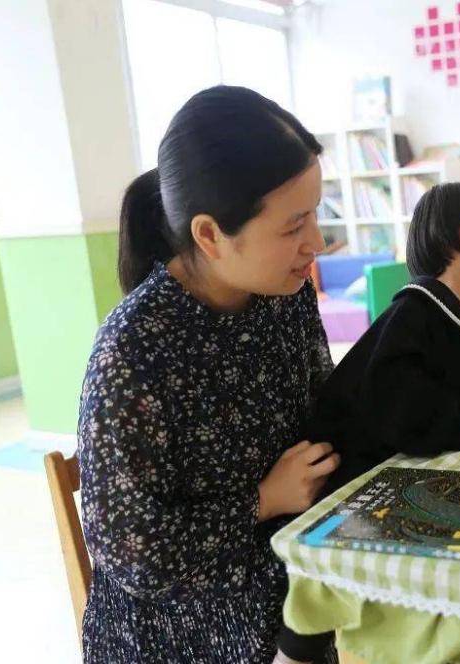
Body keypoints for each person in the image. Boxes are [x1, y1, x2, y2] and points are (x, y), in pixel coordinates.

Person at [78, 86, 341, 664]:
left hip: (292, 598)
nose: (315, 244)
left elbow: (328, 413)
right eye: (294, 225)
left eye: (315, 214)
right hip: (185, 635)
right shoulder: (134, 350)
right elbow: (134, 558)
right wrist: (261, 501)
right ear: (209, 234)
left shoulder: (285, 295)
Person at [291, 183, 460, 663]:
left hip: (409, 459)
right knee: (331, 572)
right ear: (448, 234)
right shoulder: (418, 306)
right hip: (347, 470)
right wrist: (455, 428)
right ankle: (304, 646)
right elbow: (389, 397)